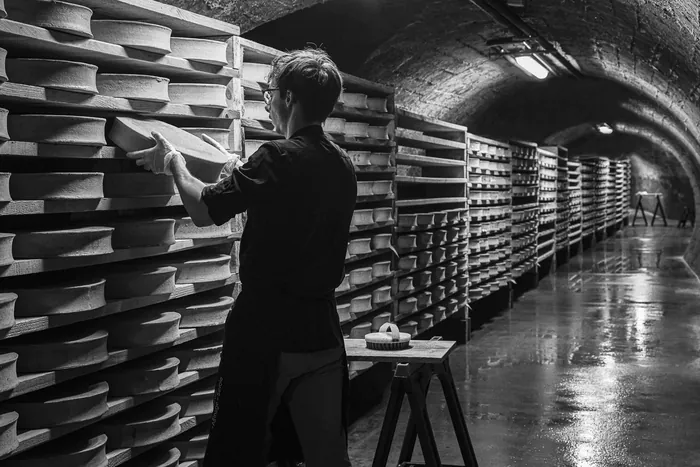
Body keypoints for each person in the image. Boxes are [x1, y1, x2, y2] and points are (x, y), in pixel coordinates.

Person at [126, 48, 356, 467]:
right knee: (327, 456)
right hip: (321, 333)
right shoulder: (341, 164)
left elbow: (203, 210)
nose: (267, 102)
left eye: (270, 93)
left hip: (268, 331)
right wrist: (239, 169)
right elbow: (291, 204)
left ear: (287, 98)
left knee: (238, 448)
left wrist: (175, 163)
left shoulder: (276, 157)